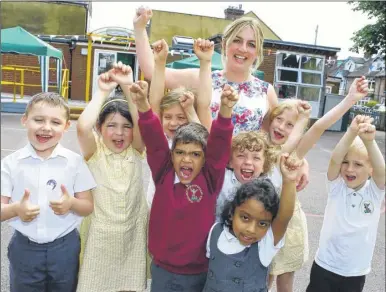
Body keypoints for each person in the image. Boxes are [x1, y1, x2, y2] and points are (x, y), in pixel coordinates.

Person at [133, 6, 311, 192]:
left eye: (251, 44)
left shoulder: (266, 91)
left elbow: (275, 140)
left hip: (247, 184)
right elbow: (151, 70)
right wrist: (139, 28)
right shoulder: (203, 77)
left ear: (258, 52)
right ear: (225, 43)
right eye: (237, 40)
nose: (243, 48)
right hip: (204, 177)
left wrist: (301, 160)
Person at [131, 47, 238, 290]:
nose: (187, 160)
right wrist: (143, 105)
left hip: (198, 271)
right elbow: (155, 139)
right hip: (163, 269)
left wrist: (225, 112)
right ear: (171, 155)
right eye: (180, 153)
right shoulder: (163, 173)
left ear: (205, 158)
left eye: (195, 154)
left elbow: (219, 146)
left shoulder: (210, 180)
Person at [267, 77, 370, 292]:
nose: (282, 127)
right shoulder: (257, 148)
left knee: (285, 281)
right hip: (262, 221)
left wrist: (350, 99)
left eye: (290, 125)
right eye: (279, 120)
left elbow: (320, 127)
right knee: (263, 279)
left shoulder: (293, 155)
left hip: (288, 224)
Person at [1, 92, 96, 292]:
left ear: (66, 126)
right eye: (38, 120)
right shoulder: (10, 164)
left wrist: (71, 204)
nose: (46, 127)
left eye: (55, 122)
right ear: (25, 120)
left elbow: (88, 206)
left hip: (65, 248)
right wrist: (16, 209)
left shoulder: (75, 162)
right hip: (24, 248)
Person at [76, 63, 148, 292]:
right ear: (99, 127)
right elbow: (82, 128)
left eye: (126, 127)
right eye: (112, 126)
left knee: (130, 287)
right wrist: (103, 91)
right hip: (100, 239)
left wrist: (128, 86)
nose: (119, 133)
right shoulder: (95, 153)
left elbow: (143, 126)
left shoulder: (136, 151)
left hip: (132, 238)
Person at [306, 115, 385, 292]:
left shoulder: (375, 192)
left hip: (355, 272)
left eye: (358, 164)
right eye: (346, 162)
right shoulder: (337, 187)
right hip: (325, 266)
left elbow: (381, 169)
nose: (349, 169)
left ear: (370, 169)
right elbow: (335, 159)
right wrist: (351, 131)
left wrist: (370, 142)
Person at [203, 153, 302, 292]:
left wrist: (289, 180)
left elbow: (284, 217)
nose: (251, 229)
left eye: (262, 223)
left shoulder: (264, 245)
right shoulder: (216, 232)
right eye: (245, 217)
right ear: (232, 212)